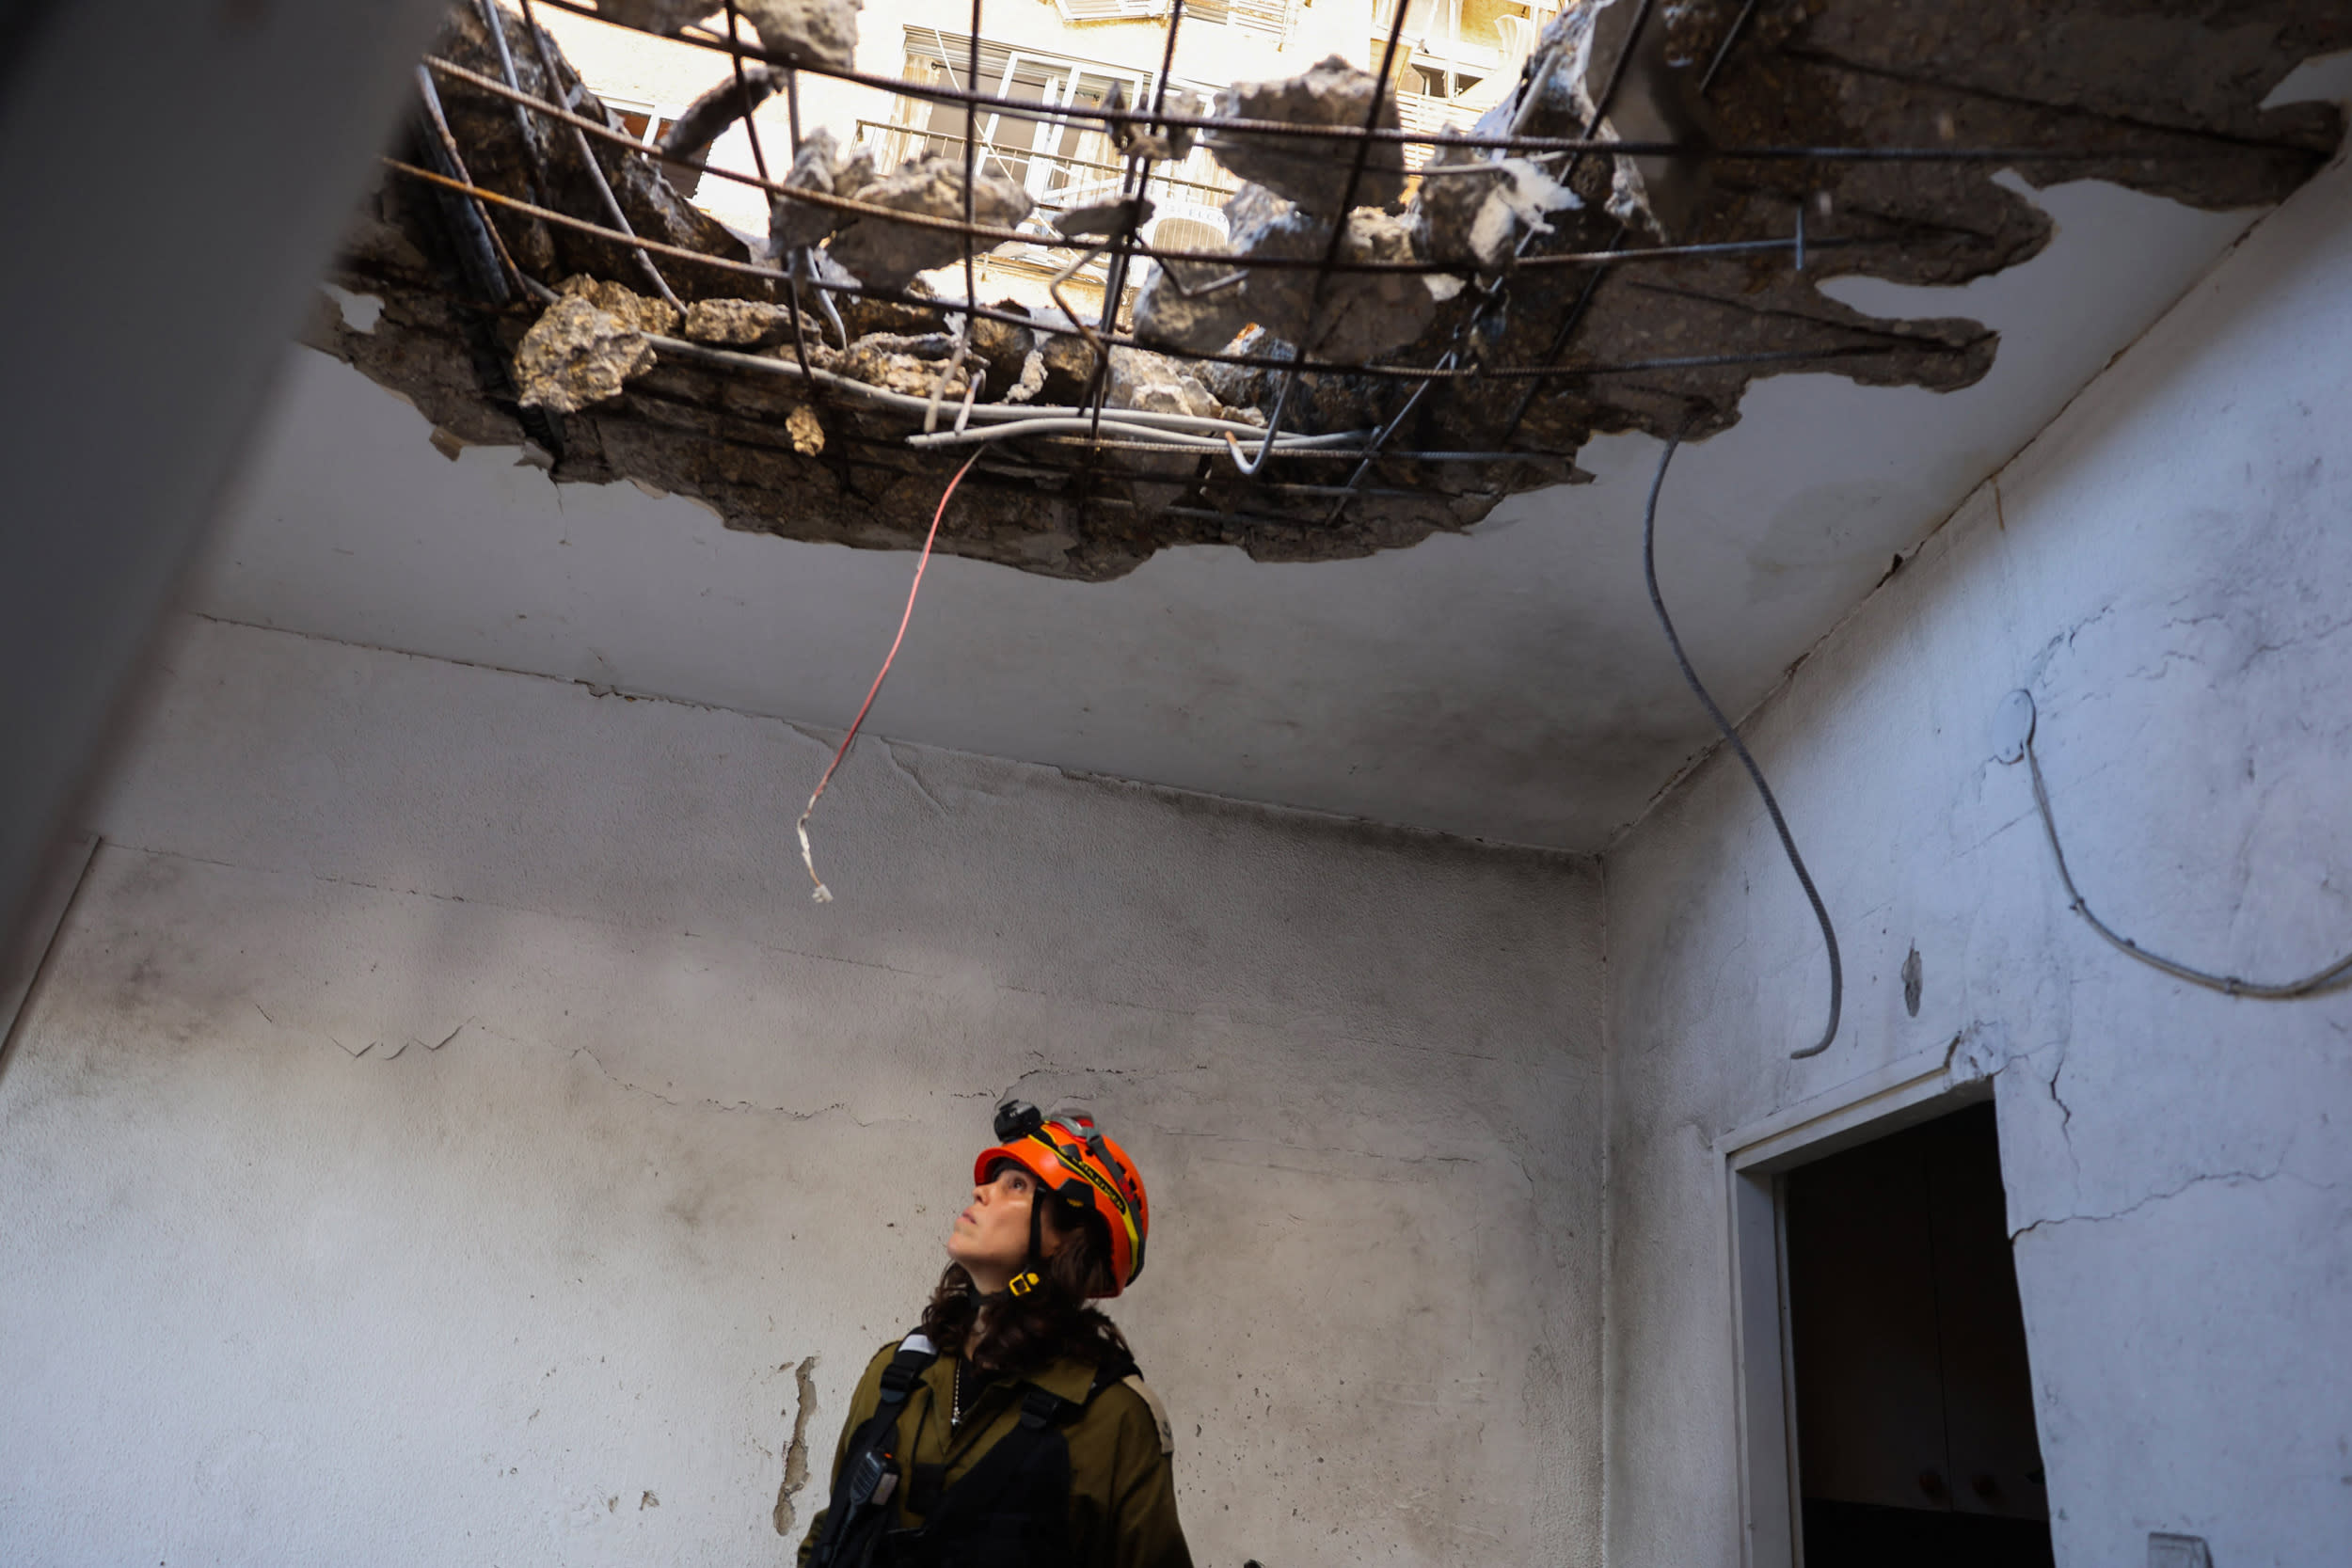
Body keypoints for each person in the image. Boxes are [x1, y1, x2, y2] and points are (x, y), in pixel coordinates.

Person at [798, 1101, 1192, 1568]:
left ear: (1067, 1240)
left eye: (1018, 1186)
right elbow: (830, 1535)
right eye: (992, 1180)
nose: (981, 1192)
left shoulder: (1114, 1418)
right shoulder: (894, 1377)